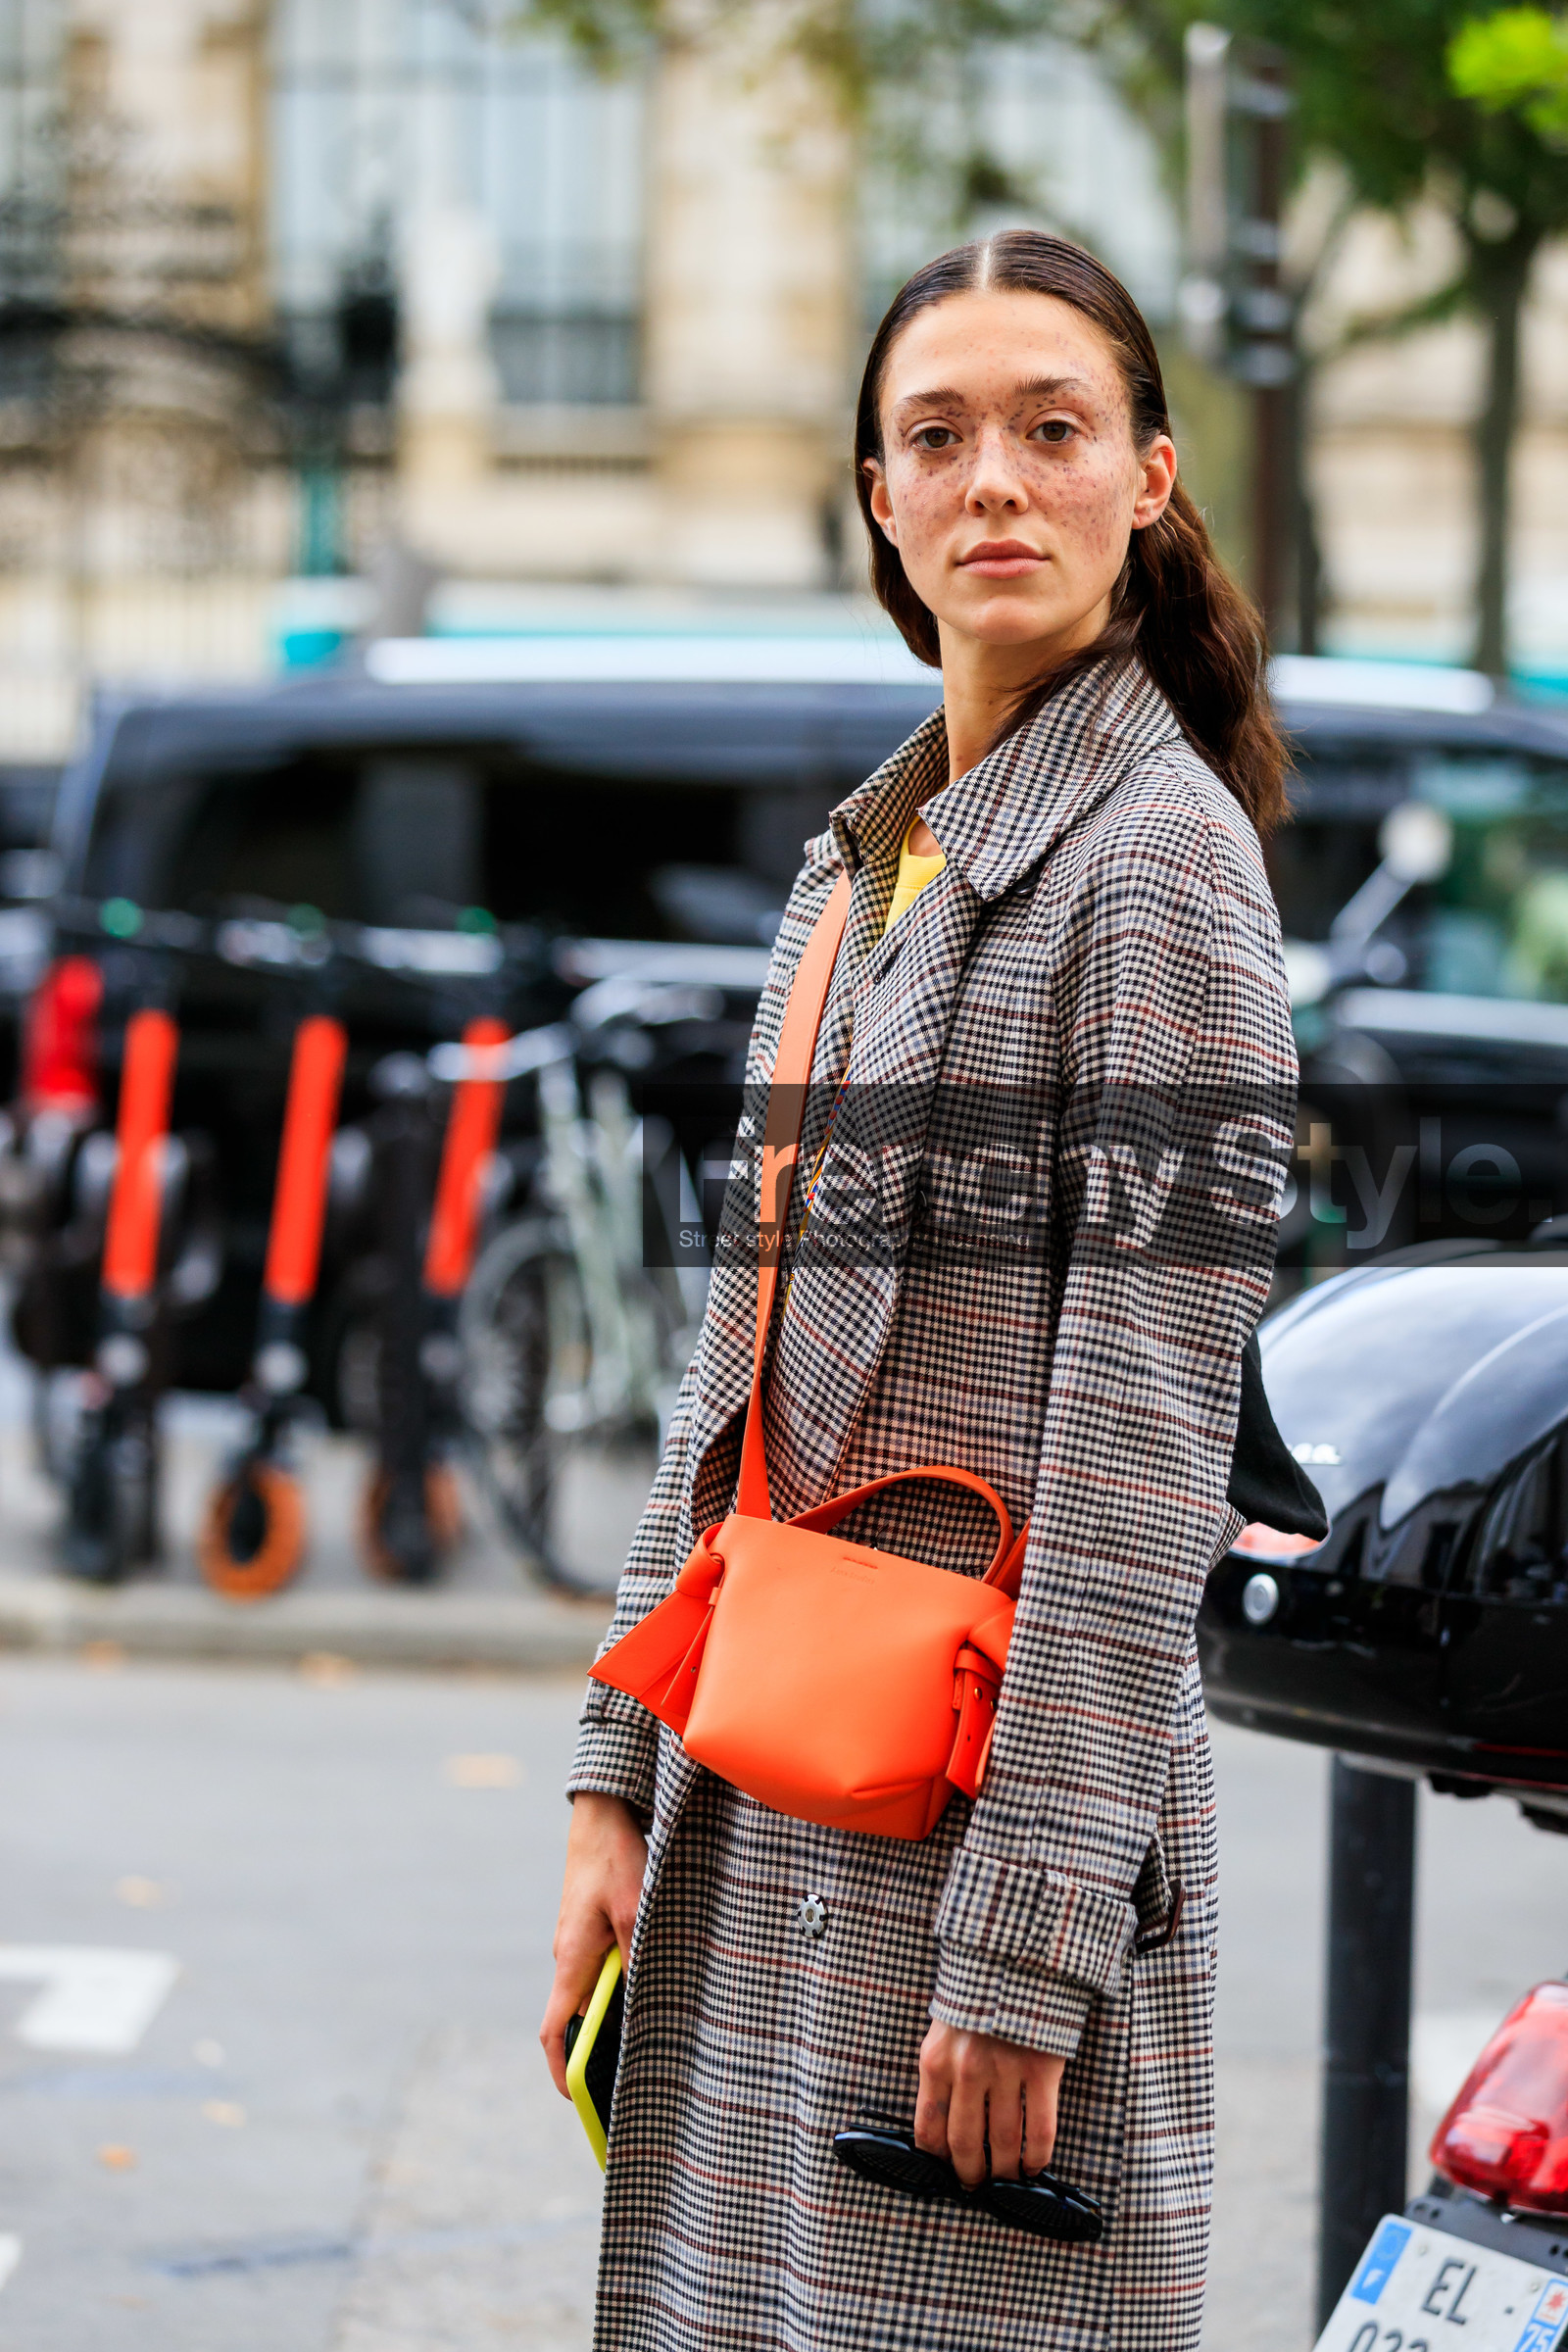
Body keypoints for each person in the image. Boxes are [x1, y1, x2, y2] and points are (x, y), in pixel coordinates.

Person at [541, 228, 1296, 2352]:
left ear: (1145, 474)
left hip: (976, 1837)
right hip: (761, 1786)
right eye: (937, 437)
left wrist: (1032, 1941)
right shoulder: (870, 858)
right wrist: (616, 1772)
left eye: (1050, 432)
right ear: (875, 496)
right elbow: (733, 1365)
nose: (994, 484)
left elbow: (1142, 1449)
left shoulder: (1154, 862)